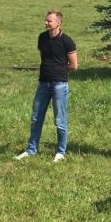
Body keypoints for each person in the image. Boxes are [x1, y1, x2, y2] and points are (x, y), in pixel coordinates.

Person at [14, 10, 78, 163]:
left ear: (58, 23)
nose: (46, 23)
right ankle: (31, 149)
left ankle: (60, 152)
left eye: (49, 21)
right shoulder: (42, 38)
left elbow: (74, 65)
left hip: (59, 85)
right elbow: (44, 57)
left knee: (60, 120)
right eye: (46, 20)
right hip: (43, 83)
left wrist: (60, 71)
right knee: (36, 117)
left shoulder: (67, 41)